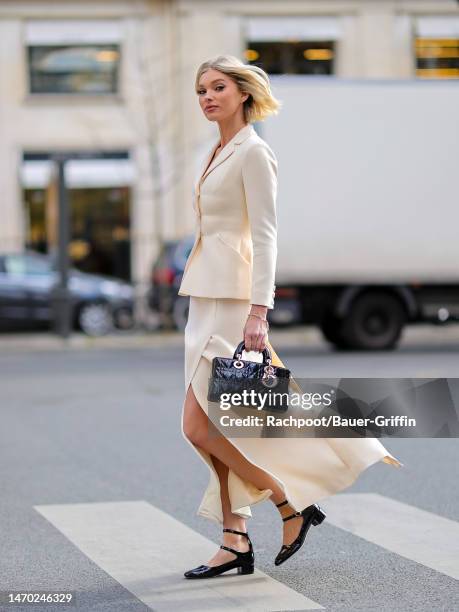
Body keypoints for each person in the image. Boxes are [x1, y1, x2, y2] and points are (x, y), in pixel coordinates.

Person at [179, 54, 403, 579]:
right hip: (204, 299)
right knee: (225, 424)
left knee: (199, 425)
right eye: (200, 90)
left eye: (217, 87)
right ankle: (235, 538)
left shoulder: (254, 153)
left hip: (233, 304)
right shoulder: (215, 149)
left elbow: (265, 235)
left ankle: (290, 503)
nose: (207, 97)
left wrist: (260, 311)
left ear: (243, 93)